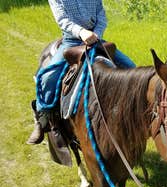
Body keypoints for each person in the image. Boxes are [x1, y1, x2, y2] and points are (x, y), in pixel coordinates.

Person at [27, 0, 135, 144]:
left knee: (131, 68)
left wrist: (95, 34)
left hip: (96, 40)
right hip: (71, 41)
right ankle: (42, 119)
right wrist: (82, 32)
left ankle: (136, 114)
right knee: (47, 78)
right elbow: (62, 19)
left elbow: (101, 15)